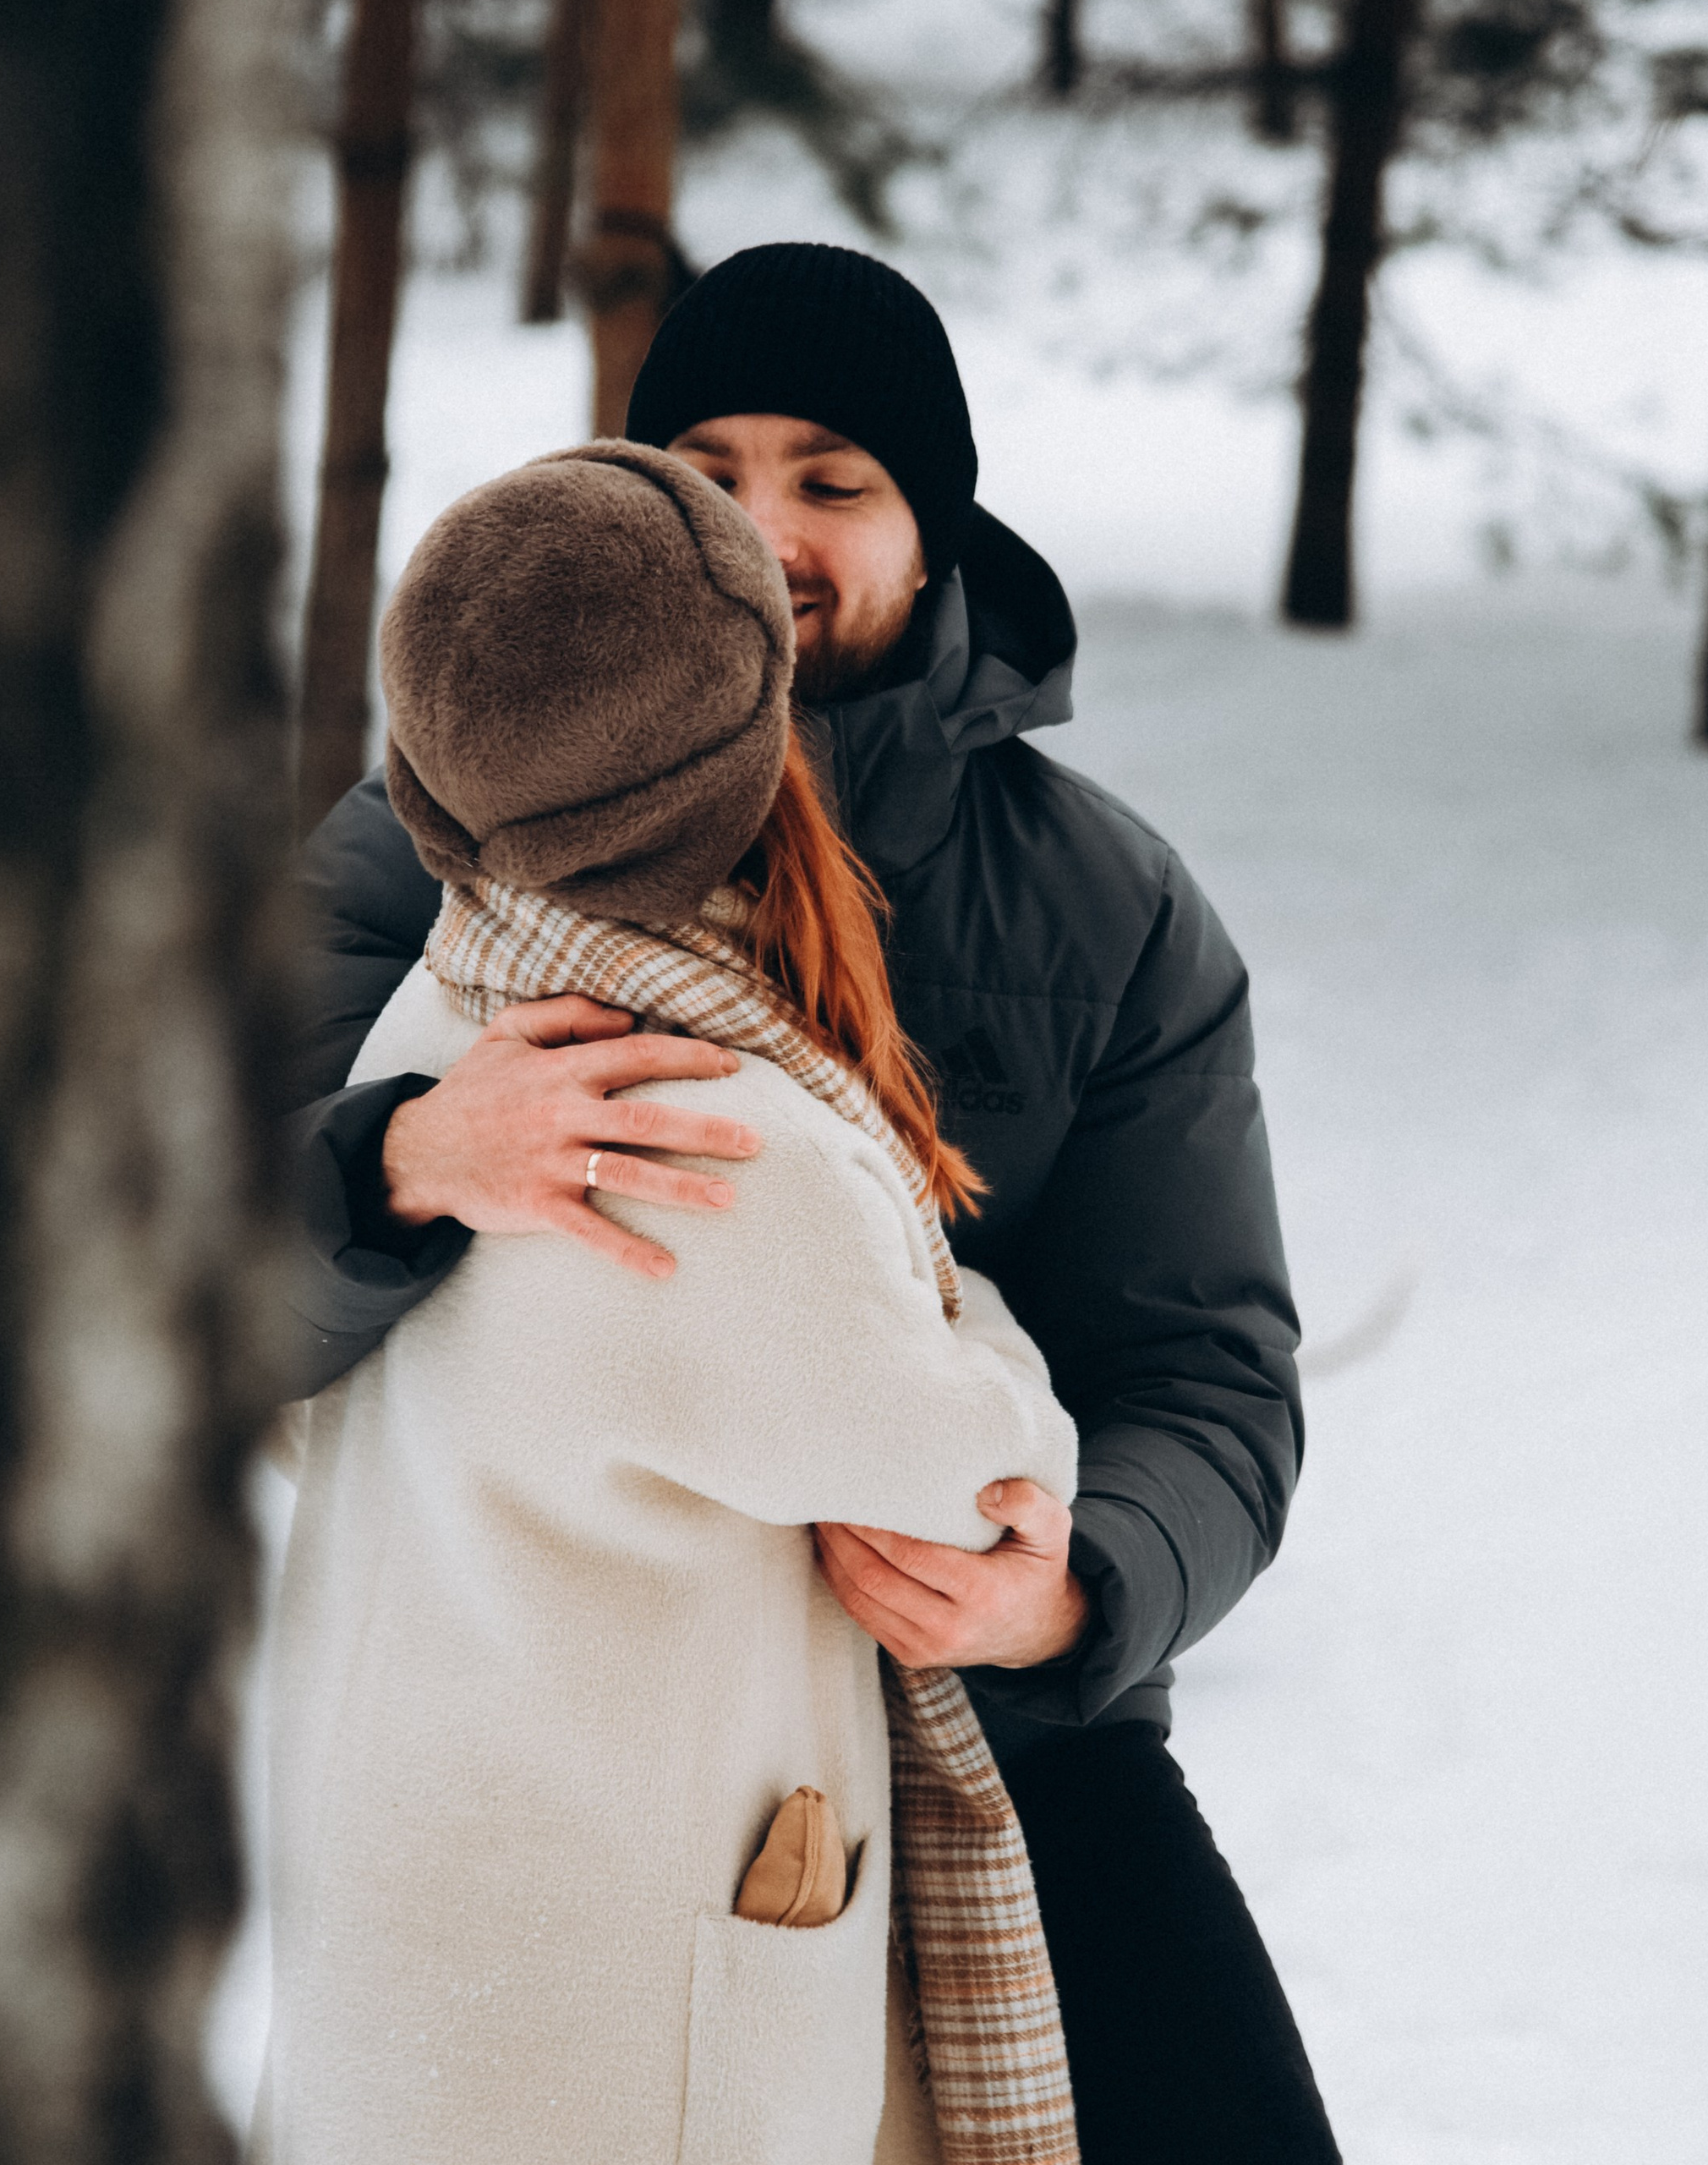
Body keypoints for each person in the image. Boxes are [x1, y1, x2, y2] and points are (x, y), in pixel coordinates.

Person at [283, 243, 1339, 2162]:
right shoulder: (429, 845)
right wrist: (396, 1159)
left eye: (831, 476)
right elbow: (148, 1280)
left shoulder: (1107, 908)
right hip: (577, 1725)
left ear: (930, 531)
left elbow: (1208, 1374)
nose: (762, 526)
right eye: (705, 465)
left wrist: (1072, 1586)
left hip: (995, 1725)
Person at [260, 441, 1079, 2165]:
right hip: (613, 1980)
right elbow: (960, 1468)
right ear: (745, 752)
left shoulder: (445, 1016)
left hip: (424, 1904)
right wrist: (982, 1325)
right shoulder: (706, 1129)